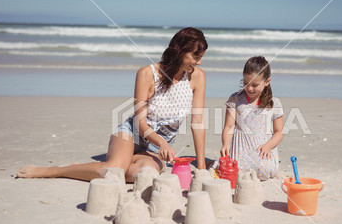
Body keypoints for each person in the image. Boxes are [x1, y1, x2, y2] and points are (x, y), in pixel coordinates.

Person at [17, 27, 208, 182]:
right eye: (195, 56)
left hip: (158, 147)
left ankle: (95, 167)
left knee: (144, 176)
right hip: (133, 133)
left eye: (201, 57)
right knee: (113, 170)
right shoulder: (146, 73)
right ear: (180, 51)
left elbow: (197, 123)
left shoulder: (197, 78)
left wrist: (201, 168)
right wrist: (162, 142)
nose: (199, 62)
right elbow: (141, 124)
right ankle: (56, 171)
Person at [220, 56, 284, 180]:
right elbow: (229, 126)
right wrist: (226, 144)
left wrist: (268, 146)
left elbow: (279, 132)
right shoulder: (235, 99)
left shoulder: (274, 103)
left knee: (265, 170)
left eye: (255, 85)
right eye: (245, 83)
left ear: (267, 82)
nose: (249, 88)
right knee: (232, 170)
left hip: (262, 148)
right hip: (240, 148)